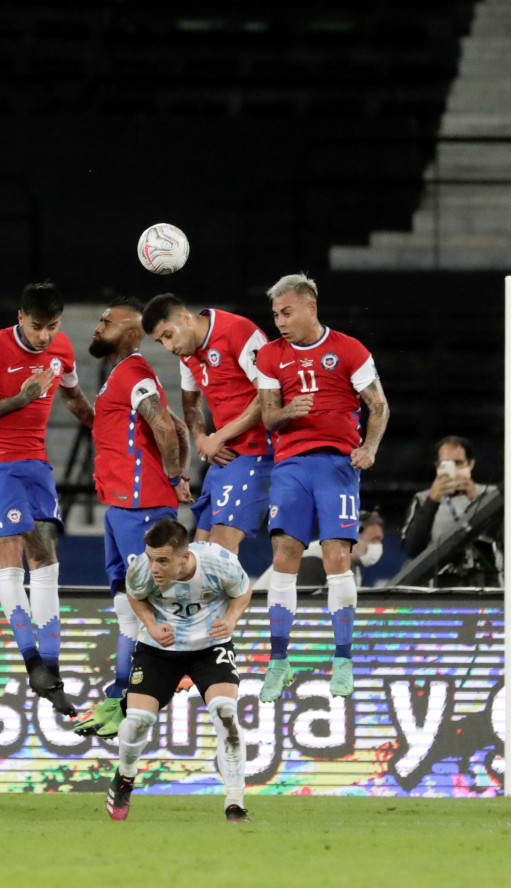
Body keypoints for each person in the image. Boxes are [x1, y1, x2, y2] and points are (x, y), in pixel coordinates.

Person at [0, 282, 95, 716]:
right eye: (36, 327)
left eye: (52, 327)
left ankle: (50, 669)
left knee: (47, 553)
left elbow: (72, 396)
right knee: (10, 551)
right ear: (21, 318)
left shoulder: (63, 349)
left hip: (36, 459)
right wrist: (21, 398)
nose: (44, 337)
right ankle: (30, 657)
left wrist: (102, 431)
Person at [254, 274, 390, 701]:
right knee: (284, 555)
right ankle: (279, 661)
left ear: (311, 307)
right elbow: (267, 418)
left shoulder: (349, 350)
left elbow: (379, 404)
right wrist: (288, 410)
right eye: (275, 314)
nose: (279, 321)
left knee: (337, 556)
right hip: (291, 463)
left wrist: (369, 447)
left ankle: (343, 659)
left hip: (337, 464)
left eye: (287, 312)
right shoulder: (271, 356)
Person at [73, 299, 193, 739]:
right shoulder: (122, 377)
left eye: (107, 321)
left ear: (129, 333)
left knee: (149, 601)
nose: (97, 326)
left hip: (140, 506)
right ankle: (121, 696)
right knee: (127, 605)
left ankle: (164, 677)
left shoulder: (133, 373)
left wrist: (177, 475)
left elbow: (162, 426)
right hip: (123, 506)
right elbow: (174, 426)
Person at [104, 518, 252, 823]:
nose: (154, 568)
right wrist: (151, 626)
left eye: (162, 561)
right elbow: (135, 594)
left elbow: (243, 590)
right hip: (160, 649)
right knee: (137, 722)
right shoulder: (143, 570)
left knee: (226, 714)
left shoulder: (219, 562)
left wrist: (232, 619)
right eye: (151, 559)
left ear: (184, 557)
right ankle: (126, 776)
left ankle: (235, 802)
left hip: (210, 647)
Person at [141, 293, 272, 554]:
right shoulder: (188, 353)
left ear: (185, 318)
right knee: (200, 547)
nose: (168, 347)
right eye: (160, 341)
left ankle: (235, 596)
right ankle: (207, 597)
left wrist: (218, 437)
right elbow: (191, 404)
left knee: (221, 545)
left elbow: (268, 397)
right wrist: (202, 438)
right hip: (225, 454)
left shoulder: (238, 331)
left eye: (168, 335)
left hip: (259, 450)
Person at [400, 436, 502, 587]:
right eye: (447, 465)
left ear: (471, 464)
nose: (454, 471)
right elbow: (412, 549)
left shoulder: (491, 495)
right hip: (440, 584)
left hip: (486, 580)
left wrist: (476, 500)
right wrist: (432, 501)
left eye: (459, 464)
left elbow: (504, 538)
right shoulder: (422, 499)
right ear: (437, 467)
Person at [255, 510, 385, 590]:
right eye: (374, 540)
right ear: (353, 536)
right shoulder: (315, 558)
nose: (377, 546)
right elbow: (303, 611)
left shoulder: (353, 569)